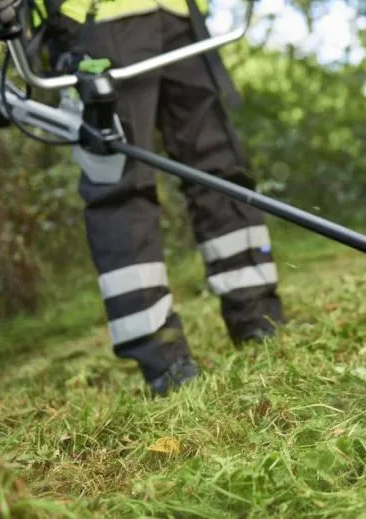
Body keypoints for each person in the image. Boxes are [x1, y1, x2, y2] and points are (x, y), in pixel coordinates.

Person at [29, 0, 286, 396]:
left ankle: (257, 319)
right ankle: (162, 359)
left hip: (179, 13)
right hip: (96, 20)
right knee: (121, 182)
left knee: (221, 170)